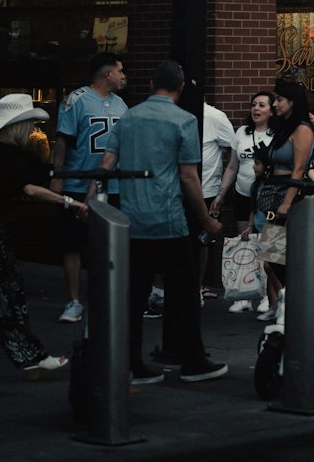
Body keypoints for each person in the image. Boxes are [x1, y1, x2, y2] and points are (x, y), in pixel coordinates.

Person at [98, 60, 226, 385]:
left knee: (134, 296)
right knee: (184, 294)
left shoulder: (128, 116)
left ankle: (131, 364)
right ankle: (193, 361)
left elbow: (107, 163)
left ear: (153, 83)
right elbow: (189, 177)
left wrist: (89, 203)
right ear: (181, 88)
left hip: (132, 221)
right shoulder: (184, 120)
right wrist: (206, 219)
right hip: (168, 221)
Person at [0, 93, 87, 379]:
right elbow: (30, 189)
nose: (34, 129)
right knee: (9, 296)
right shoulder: (11, 157)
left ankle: (32, 358)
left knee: (4, 296)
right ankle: (31, 357)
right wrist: (69, 202)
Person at [50, 53, 128, 323]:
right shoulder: (77, 100)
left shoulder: (121, 105)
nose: (123, 76)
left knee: (108, 244)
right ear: (107, 74)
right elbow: (63, 140)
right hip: (77, 180)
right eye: (120, 71)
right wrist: (58, 174)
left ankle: (104, 298)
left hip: (113, 185)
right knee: (72, 243)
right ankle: (73, 301)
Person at [254, 80, 314, 306]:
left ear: (292, 101)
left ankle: (291, 303)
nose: (275, 104)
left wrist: (288, 201)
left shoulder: (302, 129)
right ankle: (285, 303)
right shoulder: (284, 128)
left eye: (279, 99)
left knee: (277, 259)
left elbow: (299, 169)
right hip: (274, 192)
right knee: (271, 258)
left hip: (289, 195)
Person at [212, 91, 274, 314]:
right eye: (254, 105)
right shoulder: (242, 132)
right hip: (242, 194)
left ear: (272, 110)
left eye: (262, 105)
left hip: (267, 197)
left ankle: (268, 294)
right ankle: (245, 294)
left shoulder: (276, 134)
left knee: (268, 248)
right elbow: (232, 167)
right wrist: (220, 194)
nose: (256, 109)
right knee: (245, 246)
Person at [198, 98, 237, 299]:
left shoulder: (215, 117)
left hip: (207, 190)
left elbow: (233, 150)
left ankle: (268, 296)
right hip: (176, 189)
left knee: (203, 240)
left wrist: (221, 190)